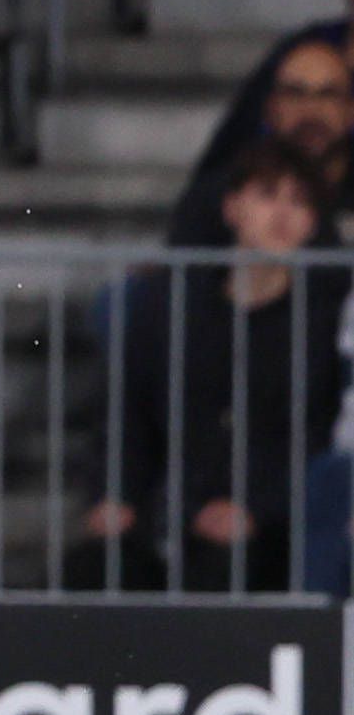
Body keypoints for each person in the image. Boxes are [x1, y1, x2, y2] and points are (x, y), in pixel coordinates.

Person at [74, 142, 350, 594]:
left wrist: (254, 507)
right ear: (232, 207)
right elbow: (129, 414)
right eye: (267, 194)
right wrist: (115, 494)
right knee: (92, 567)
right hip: (168, 510)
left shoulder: (321, 324)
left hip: (271, 526)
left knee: (223, 569)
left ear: (312, 224)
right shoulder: (173, 309)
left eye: (299, 202)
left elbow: (315, 435)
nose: (282, 213)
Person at [171, 31, 353, 246]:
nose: (311, 110)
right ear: (271, 109)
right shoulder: (219, 197)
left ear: (350, 110)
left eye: (328, 94)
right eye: (295, 93)